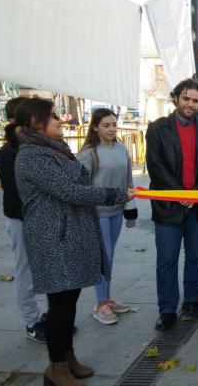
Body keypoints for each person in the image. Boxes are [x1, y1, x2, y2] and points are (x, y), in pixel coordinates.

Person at [13, 98, 134, 386]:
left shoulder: (54, 150)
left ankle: (67, 358)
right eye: (52, 117)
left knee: (69, 302)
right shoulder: (32, 156)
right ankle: (56, 369)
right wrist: (115, 195)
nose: (59, 121)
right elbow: (69, 191)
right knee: (60, 306)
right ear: (36, 123)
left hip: (70, 235)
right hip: (53, 238)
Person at [145, 78, 198, 331]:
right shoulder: (157, 129)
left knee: (195, 257)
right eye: (186, 98)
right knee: (167, 260)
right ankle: (167, 309)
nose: (190, 104)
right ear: (176, 98)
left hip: (197, 206)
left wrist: (196, 193)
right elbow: (155, 166)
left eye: (195, 100)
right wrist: (180, 193)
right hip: (169, 206)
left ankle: (191, 300)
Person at [76, 108, 138, 325]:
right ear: (95, 127)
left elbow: (128, 181)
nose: (112, 129)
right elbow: (80, 188)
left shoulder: (121, 149)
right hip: (96, 214)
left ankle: (107, 297)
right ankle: (100, 304)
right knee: (104, 257)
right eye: (106, 125)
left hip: (116, 212)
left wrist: (131, 209)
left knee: (109, 258)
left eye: (114, 124)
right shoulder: (88, 153)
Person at [0, 96, 48, 343]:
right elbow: (19, 194)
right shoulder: (9, 153)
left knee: (48, 271)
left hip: (42, 219)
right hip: (21, 220)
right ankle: (31, 320)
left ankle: (50, 317)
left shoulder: (38, 147)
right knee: (25, 272)